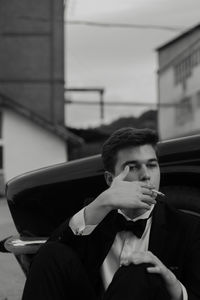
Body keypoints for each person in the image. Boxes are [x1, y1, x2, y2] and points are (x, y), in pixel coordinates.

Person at [22, 127, 200, 300]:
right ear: (110, 179)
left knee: (142, 268)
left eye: (152, 165)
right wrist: (102, 202)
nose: (146, 175)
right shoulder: (98, 213)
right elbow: (52, 258)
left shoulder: (189, 228)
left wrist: (170, 280)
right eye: (133, 167)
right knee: (51, 253)